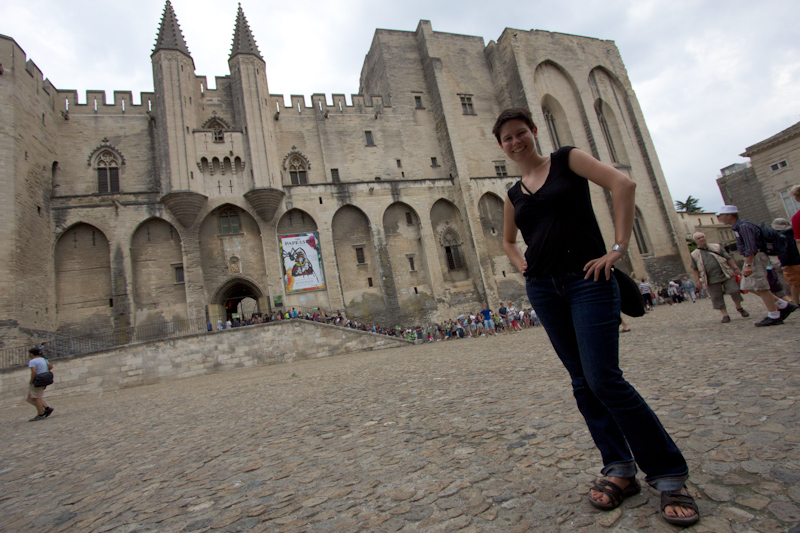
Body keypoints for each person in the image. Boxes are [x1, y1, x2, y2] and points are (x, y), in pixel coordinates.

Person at [497, 108, 698, 526]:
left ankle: (668, 474)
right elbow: (507, 240)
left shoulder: (567, 159)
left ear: (534, 132)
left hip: (588, 280)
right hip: (545, 289)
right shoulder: (513, 193)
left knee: (604, 378)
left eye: (521, 133)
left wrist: (618, 249)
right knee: (581, 382)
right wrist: (522, 265)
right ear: (501, 146)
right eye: (507, 139)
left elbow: (623, 184)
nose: (516, 143)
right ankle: (620, 470)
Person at [717, 205, 798, 326]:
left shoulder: (744, 226)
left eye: (721, 216)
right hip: (752, 257)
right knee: (747, 285)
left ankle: (774, 315)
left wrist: (748, 264)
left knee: (762, 287)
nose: (719, 218)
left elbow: (751, 247)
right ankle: (783, 305)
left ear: (729, 216)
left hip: (756, 257)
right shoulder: (738, 227)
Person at [689, 231, 749, 325]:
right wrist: (698, 280)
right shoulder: (694, 254)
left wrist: (736, 268)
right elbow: (695, 268)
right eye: (699, 238)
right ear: (695, 241)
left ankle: (739, 307)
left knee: (734, 290)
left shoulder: (716, 247)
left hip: (725, 273)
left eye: (702, 237)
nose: (701, 239)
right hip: (710, 278)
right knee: (716, 297)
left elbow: (728, 258)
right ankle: (725, 315)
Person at [772, 216, 800, 304]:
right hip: (798, 259)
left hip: (791, 263)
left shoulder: (781, 236)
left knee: (794, 284)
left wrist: (783, 264)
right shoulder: (795, 232)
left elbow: (783, 251)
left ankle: (796, 302)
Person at [27, 347, 54, 422]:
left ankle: (41, 413)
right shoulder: (44, 359)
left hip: (37, 380)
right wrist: (44, 371)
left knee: (36, 398)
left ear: (31, 354)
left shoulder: (32, 361)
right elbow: (51, 367)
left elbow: (34, 372)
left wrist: (31, 381)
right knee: (31, 398)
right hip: (44, 379)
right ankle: (46, 408)